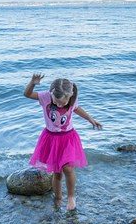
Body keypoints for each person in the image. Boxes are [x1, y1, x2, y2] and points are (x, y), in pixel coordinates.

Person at [24, 74, 102, 210]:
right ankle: (58, 197)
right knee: (56, 172)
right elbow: (27, 94)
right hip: (50, 139)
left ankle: (71, 197)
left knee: (68, 168)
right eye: (57, 102)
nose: (59, 104)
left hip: (68, 138)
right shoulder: (45, 96)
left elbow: (77, 109)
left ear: (70, 96)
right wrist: (32, 82)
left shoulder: (71, 98)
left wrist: (90, 119)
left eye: (63, 103)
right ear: (51, 94)